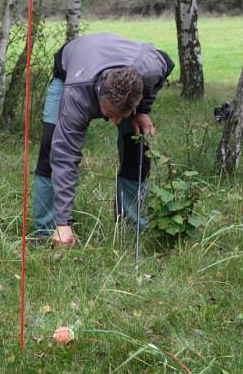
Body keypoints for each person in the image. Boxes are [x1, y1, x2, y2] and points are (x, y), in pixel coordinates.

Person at [32, 33, 175, 247]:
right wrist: (64, 221)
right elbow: (65, 157)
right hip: (72, 72)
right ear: (99, 96)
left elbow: (165, 66)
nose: (114, 121)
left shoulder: (150, 68)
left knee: (137, 148)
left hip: (127, 68)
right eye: (109, 114)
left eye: (121, 115)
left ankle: (131, 227)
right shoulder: (76, 95)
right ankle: (48, 233)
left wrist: (143, 110)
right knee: (51, 148)